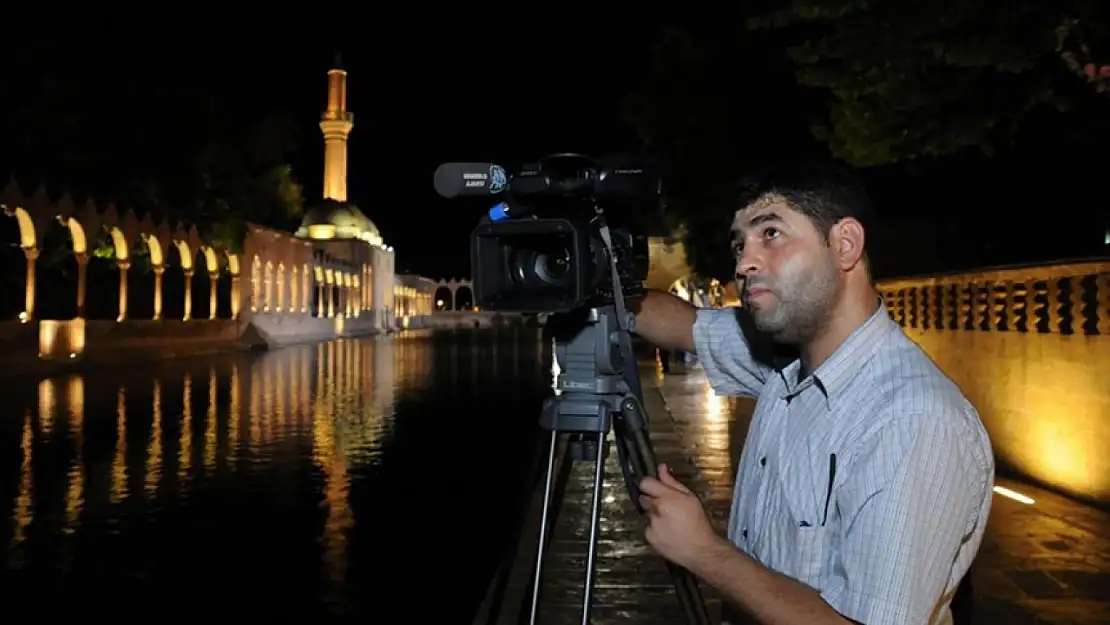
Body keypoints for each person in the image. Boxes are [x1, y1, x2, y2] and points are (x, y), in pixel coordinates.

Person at [630, 162, 994, 625]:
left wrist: (704, 552)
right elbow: (684, 326)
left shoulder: (911, 420)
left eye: (771, 234)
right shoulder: (784, 369)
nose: (743, 263)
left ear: (845, 245)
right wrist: (592, 286)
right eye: (739, 243)